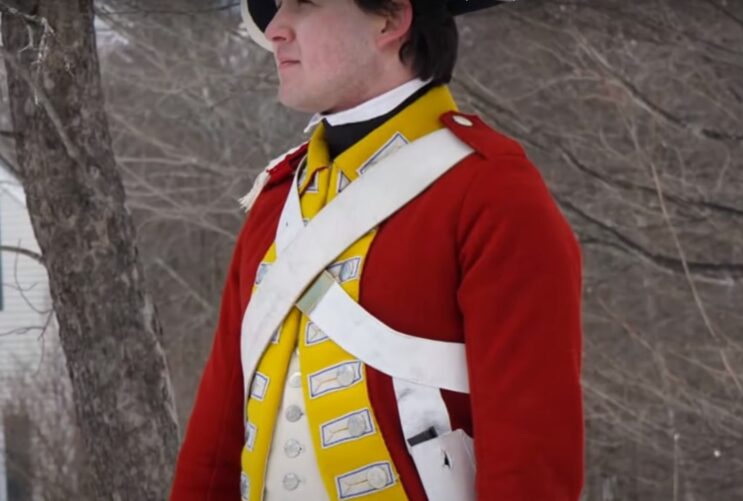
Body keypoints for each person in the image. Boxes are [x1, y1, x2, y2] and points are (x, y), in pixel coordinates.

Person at [170, 0, 584, 500]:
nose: (275, 30)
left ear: (390, 19)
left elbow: (531, 460)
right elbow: (216, 440)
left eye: (303, 4)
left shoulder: (491, 193)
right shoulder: (278, 203)